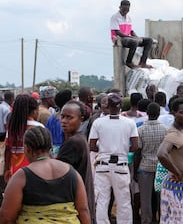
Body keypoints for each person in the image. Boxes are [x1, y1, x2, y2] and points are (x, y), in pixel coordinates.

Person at [0, 126, 90, 223]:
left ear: (27, 149)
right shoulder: (72, 173)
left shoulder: (22, 176)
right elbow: (83, 210)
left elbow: (7, 217)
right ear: (50, 147)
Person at [89, 93, 138, 224]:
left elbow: (91, 145)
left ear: (107, 106)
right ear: (121, 106)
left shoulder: (98, 123)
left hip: (102, 165)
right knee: (124, 201)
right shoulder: (129, 123)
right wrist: (122, 150)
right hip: (121, 165)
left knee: (101, 201)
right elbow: (135, 146)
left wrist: (104, 149)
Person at [157, 97, 183, 224]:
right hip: (176, 187)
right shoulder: (174, 134)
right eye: (182, 112)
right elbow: (161, 154)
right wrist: (177, 173)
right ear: (173, 113)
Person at [57, 101, 96, 222]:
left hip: (76, 203)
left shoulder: (73, 143)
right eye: (62, 116)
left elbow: (58, 174)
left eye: (69, 117)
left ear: (81, 119)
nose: (64, 121)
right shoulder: (79, 138)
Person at [135, 102, 167, 224]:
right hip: (161, 168)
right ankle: (162, 219)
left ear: (147, 113)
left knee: (145, 199)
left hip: (145, 167)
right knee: (162, 198)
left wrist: (135, 171)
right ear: (159, 113)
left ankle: (146, 220)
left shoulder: (140, 130)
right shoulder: (165, 130)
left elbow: (138, 152)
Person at [4, 94, 44, 183]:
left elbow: (8, 150)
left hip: (15, 172)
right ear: (33, 111)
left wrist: (6, 169)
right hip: (34, 172)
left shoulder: (12, 128)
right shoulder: (39, 127)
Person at [110, 0, 153, 69]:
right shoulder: (114, 17)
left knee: (149, 40)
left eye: (127, 10)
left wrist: (137, 37)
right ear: (120, 7)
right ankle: (129, 62)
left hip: (128, 38)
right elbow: (117, 32)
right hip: (119, 38)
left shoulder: (128, 18)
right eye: (124, 9)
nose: (125, 12)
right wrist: (131, 38)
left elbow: (131, 31)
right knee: (134, 42)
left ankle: (143, 63)